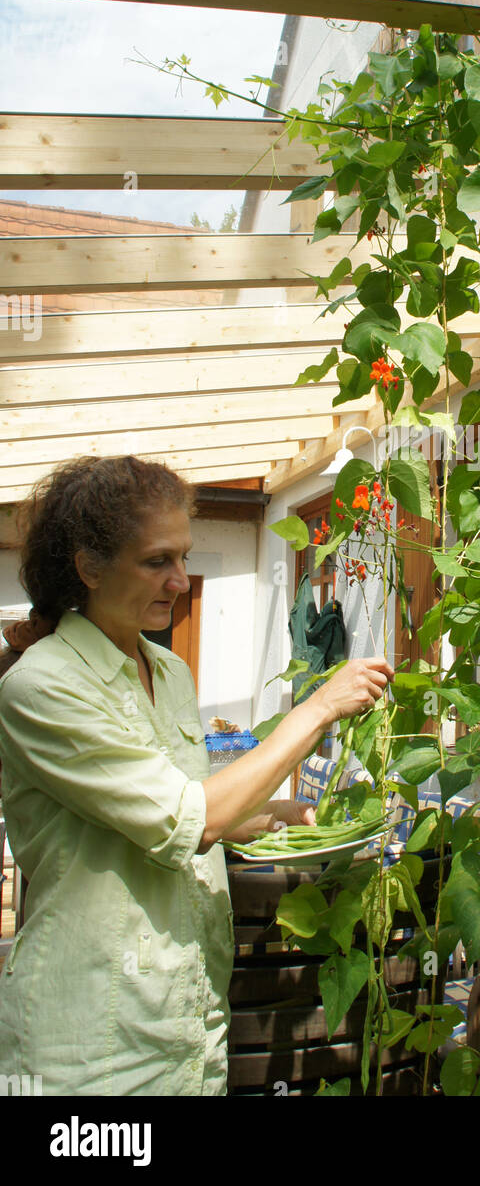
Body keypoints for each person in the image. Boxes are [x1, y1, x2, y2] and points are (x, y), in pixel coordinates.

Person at [0, 455, 394, 1096]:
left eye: (184, 558)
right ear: (89, 568)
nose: (181, 580)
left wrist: (271, 817)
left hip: (185, 1022)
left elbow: (180, 808)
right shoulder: (42, 687)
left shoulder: (170, 673)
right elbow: (192, 817)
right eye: (157, 561)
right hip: (90, 1040)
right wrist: (319, 707)